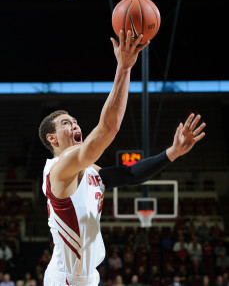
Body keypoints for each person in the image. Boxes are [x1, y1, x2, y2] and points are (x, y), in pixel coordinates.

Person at [38, 29, 206, 286]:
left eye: (74, 121)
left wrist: (172, 152)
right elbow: (107, 129)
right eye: (65, 123)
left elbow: (130, 174)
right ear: (52, 138)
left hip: (87, 276)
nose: (74, 125)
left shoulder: (91, 171)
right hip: (67, 279)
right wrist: (124, 68)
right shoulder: (59, 170)